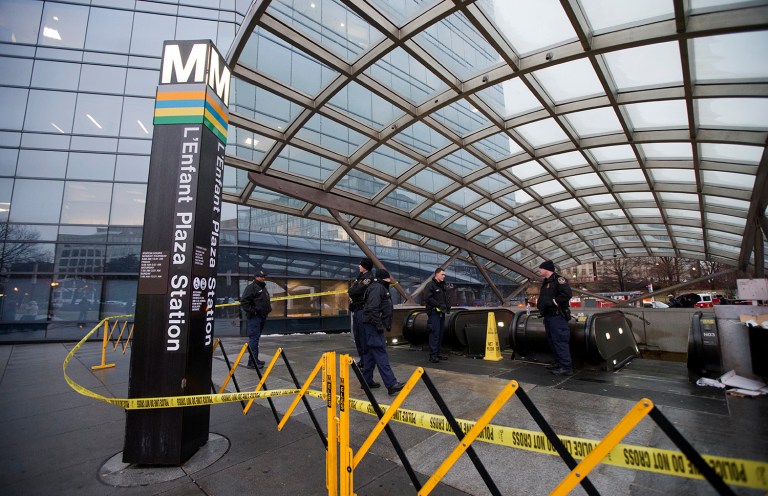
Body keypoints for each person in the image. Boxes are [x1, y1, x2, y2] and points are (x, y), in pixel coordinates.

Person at [361, 269, 405, 396]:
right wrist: (379, 325)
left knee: (370, 354)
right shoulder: (378, 288)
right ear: (384, 278)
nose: (390, 280)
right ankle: (391, 384)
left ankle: (366, 381)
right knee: (380, 352)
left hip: (372, 325)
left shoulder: (379, 287)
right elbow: (372, 308)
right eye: (388, 278)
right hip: (373, 326)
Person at [536, 260, 573, 376]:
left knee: (560, 341)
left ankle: (566, 367)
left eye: (541, 268)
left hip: (557, 317)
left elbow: (567, 294)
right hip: (549, 316)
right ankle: (558, 363)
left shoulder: (559, 280)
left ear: (546, 269)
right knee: (552, 341)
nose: (539, 270)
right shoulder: (546, 281)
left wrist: (555, 302)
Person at [240, 269, 272, 369]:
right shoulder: (252, 287)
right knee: (253, 339)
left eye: (264, 277)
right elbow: (244, 301)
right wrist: (252, 312)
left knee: (256, 339)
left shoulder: (262, 287)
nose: (263, 278)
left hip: (261, 317)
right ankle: (252, 362)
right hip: (255, 317)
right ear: (256, 277)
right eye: (261, 276)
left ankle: (255, 359)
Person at [348, 257, 374, 369]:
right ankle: (363, 360)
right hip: (357, 310)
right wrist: (352, 292)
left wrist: (352, 292)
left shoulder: (368, 278)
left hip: (363, 311)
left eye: (360, 265)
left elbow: (355, 290)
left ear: (365, 266)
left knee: (363, 338)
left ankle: (366, 361)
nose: (359, 266)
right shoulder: (360, 278)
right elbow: (352, 290)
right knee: (357, 337)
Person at [423, 267, 451, 363]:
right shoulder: (430, 285)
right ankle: (433, 355)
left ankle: (437, 354)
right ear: (437, 274)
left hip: (441, 313)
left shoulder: (442, 286)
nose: (444, 276)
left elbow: (445, 298)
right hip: (434, 313)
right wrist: (439, 305)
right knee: (434, 334)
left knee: (440, 334)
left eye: (444, 274)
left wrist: (447, 307)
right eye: (442, 274)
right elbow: (427, 298)